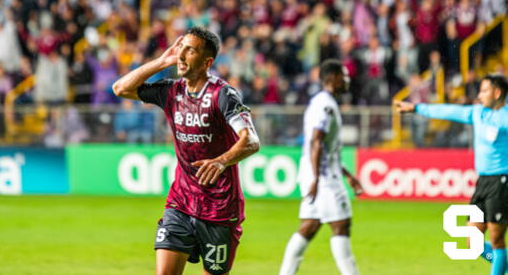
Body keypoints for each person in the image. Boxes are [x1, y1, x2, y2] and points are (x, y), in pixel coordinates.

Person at [112, 26, 260, 275]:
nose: (181, 55)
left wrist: (221, 161)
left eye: (190, 50)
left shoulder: (222, 95)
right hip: (181, 202)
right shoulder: (172, 91)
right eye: (181, 48)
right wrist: (161, 61)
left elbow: (251, 140)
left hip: (220, 209)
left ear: (207, 61)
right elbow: (120, 89)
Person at [395, 74, 508, 275]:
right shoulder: (477, 113)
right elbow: (448, 111)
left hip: (502, 181)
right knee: (472, 241)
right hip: (483, 182)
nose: (479, 95)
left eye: (484, 91)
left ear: (497, 93)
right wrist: (417, 108)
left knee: (496, 240)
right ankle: (503, 264)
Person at [279, 59, 363, 275]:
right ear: (333, 78)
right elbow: (316, 141)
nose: (347, 79)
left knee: (309, 226)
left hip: (320, 173)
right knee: (341, 225)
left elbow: (326, 148)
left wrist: (347, 175)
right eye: (344, 76)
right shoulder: (325, 105)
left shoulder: (325, 102)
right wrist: (316, 179)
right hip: (323, 178)